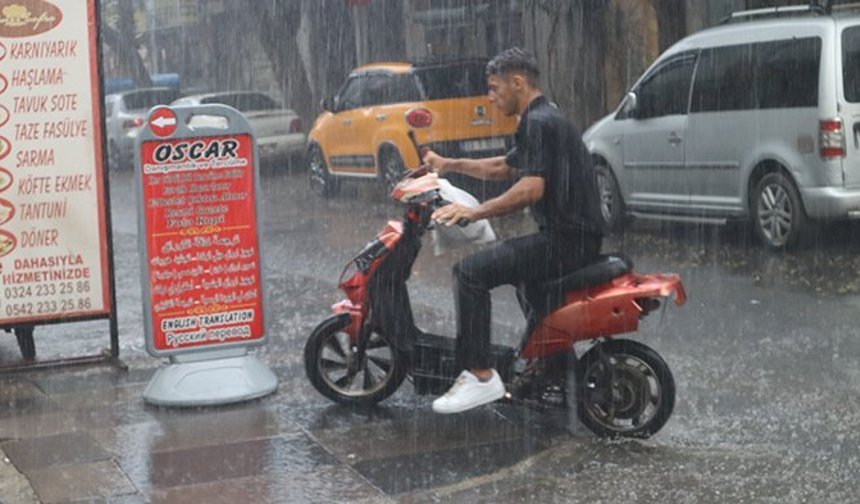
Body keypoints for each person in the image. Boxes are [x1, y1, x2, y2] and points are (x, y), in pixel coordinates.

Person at [424, 47, 604, 414]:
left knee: (470, 273)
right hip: (577, 237)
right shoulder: (544, 117)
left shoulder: (537, 123)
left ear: (518, 82)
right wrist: (448, 164)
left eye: (495, 88)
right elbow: (504, 168)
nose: (490, 97)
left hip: (566, 241)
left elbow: (530, 189)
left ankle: (479, 375)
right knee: (526, 280)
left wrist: (475, 212)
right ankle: (555, 364)